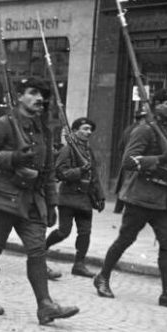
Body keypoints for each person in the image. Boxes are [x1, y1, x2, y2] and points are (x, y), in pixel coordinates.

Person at [0, 77, 79, 324]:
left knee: (37, 250)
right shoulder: (3, 124)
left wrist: (52, 203)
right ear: (20, 96)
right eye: (32, 93)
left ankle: (45, 305)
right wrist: (12, 158)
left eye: (42, 95)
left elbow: (50, 169)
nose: (39, 98)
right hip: (4, 197)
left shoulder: (44, 129)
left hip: (33, 199)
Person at [94, 89, 167, 311]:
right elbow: (128, 161)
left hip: (166, 200)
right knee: (125, 239)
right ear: (155, 104)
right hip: (142, 197)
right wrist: (159, 159)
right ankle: (103, 276)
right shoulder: (144, 130)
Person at [45, 117, 105, 277]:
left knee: (85, 233)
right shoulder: (68, 149)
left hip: (85, 199)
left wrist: (100, 195)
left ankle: (79, 264)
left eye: (90, 129)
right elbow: (60, 173)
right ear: (75, 130)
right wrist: (80, 171)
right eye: (85, 129)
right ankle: (41, 250)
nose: (88, 132)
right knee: (64, 231)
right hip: (68, 198)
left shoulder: (88, 151)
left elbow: (95, 176)